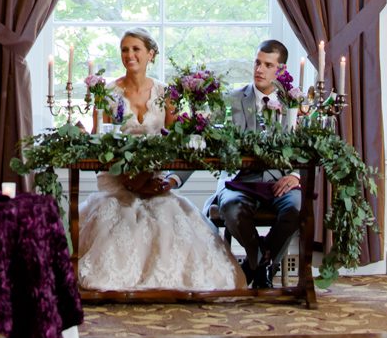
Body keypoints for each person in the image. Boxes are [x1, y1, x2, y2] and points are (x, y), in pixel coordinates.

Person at [76, 29, 245, 291]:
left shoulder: (165, 93)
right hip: (119, 184)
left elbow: (175, 141)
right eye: (124, 49)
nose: (129, 55)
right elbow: (102, 144)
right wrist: (130, 180)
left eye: (135, 49)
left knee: (170, 217)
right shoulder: (107, 93)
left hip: (155, 181)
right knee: (120, 216)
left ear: (150, 54)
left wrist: (164, 179)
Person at [207, 39, 303, 289]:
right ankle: (261, 263)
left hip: (280, 180)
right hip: (239, 180)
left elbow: (307, 147)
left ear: (280, 70)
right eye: (257, 62)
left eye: (267, 65)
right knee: (231, 208)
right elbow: (207, 136)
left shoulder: (293, 102)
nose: (259, 69)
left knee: (296, 209)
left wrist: (294, 175)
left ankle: (256, 265)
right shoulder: (232, 100)